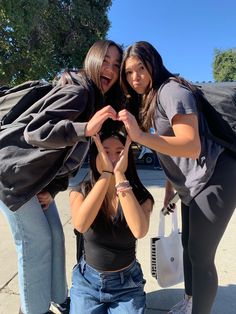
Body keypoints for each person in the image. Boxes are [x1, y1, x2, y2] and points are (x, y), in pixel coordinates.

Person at [0, 39, 123, 314]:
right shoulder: (78, 92)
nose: (111, 70)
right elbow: (36, 132)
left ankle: (58, 298)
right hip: (12, 175)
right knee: (36, 242)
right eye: (105, 61)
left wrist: (53, 188)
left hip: (34, 180)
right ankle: (34, 310)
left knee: (55, 234)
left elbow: (65, 159)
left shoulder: (92, 99)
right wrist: (84, 128)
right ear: (91, 60)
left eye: (116, 65)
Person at [118, 41, 236, 314]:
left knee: (201, 256)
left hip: (215, 174)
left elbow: (191, 144)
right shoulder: (152, 95)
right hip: (191, 184)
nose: (135, 77)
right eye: (129, 72)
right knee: (187, 247)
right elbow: (169, 148)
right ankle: (190, 302)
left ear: (153, 65)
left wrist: (140, 136)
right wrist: (171, 186)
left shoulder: (171, 90)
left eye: (141, 69)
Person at [69, 127, 154, 314]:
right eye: (105, 152)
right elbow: (81, 224)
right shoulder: (79, 192)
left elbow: (139, 230)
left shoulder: (140, 197)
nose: (112, 159)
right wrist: (107, 174)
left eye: (119, 153)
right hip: (87, 283)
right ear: (95, 155)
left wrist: (120, 175)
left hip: (127, 284)